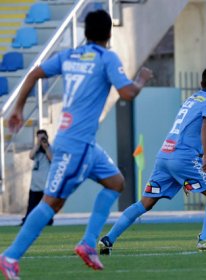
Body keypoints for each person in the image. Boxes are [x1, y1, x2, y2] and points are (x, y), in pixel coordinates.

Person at [0, 9, 153, 279]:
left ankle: (87, 244)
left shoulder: (70, 55)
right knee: (51, 203)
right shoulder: (107, 57)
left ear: (85, 33)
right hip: (76, 146)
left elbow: (34, 73)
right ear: (109, 33)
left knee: (116, 182)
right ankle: (11, 256)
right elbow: (127, 92)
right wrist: (140, 79)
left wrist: (18, 109)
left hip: (85, 145)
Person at [98, 66, 206, 256]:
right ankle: (205, 239)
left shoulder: (191, 100)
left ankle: (108, 238)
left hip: (165, 156)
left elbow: (187, 131)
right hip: (183, 159)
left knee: (145, 203)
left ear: (201, 84)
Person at [20, 129, 53, 226]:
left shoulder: (50, 148)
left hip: (44, 184)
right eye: (39, 137)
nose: (41, 139)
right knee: (31, 206)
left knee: (45, 206)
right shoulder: (36, 149)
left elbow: (52, 159)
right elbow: (31, 156)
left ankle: (47, 221)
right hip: (34, 184)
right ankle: (27, 221)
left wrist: (46, 147)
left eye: (43, 137)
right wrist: (38, 144)